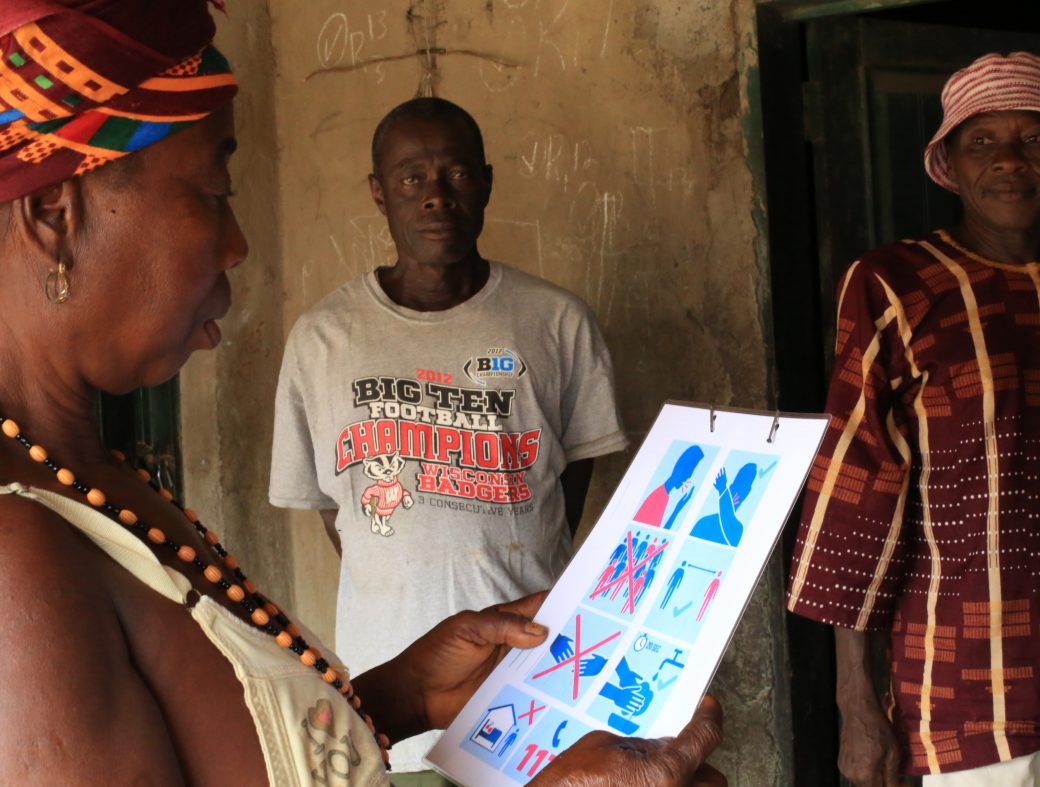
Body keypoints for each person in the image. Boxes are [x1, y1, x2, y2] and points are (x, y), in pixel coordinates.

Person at [0, 2, 724, 784]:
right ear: (52, 212)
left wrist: (403, 694)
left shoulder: (88, 476)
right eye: (216, 190)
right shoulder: (17, 562)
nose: (238, 242)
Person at [786, 52, 1040, 786]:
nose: (1008, 161)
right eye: (982, 141)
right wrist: (855, 702)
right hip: (969, 694)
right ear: (951, 166)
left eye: (1033, 138)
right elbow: (855, 495)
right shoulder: (896, 284)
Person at [267, 94, 629, 781]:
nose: (435, 196)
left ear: (486, 181)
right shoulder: (322, 338)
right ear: (379, 193)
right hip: (388, 697)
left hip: (534, 685)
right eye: (410, 178)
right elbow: (334, 507)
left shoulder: (555, 322)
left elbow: (562, 490)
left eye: (455, 174)